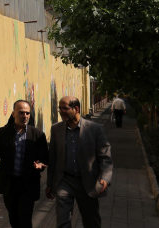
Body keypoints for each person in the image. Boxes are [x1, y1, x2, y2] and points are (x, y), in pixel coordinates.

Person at [46, 96, 113, 228]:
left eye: (64, 108)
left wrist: (105, 177)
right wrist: (49, 184)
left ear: (76, 109)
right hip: (65, 182)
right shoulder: (56, 129)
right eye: (60, 108)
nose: (61, 111)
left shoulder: (95, 129)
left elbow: (105, 155)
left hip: (88, 182)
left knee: (91, 222)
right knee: (63, 221)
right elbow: (53, 158)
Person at [0, 100, 49, 228]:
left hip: (28, 184)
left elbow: (44, 157)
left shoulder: (38, 135)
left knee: (25, 219)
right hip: (9, 184)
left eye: (27, 113)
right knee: (13, 218)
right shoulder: (3, 133)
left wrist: (40, 165)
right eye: (21, 113)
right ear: (13, 114)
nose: (25, 116)